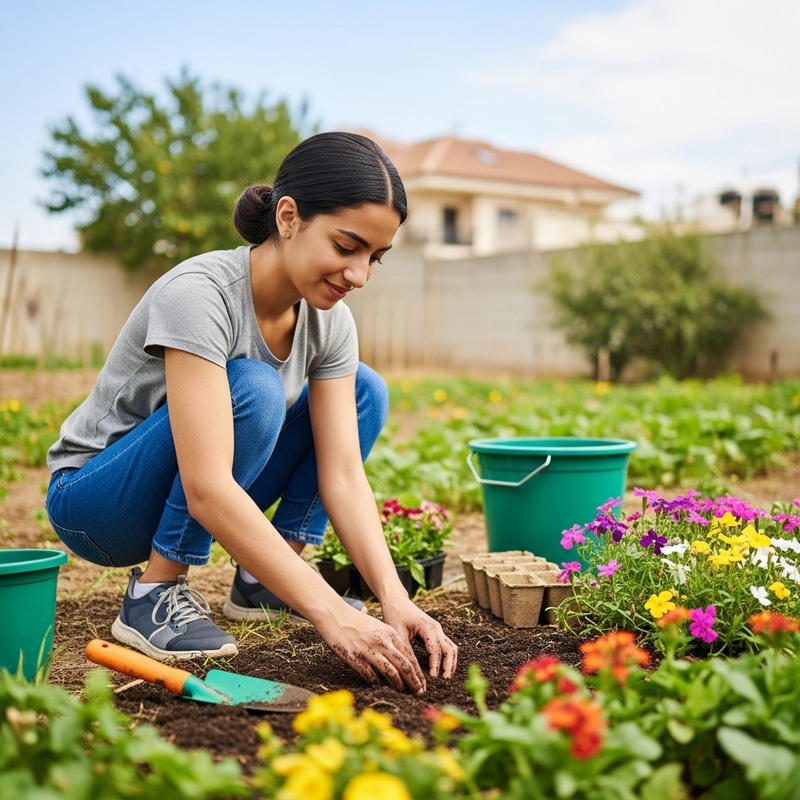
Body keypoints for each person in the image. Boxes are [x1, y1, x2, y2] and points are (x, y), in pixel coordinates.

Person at [45, 131, 457, 694]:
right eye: (346, 246)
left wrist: (394, 598)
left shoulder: (329, 322)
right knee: (255, 388)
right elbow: (208, 488)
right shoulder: (200, 294)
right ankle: (154, 594)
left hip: (192, 488)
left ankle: (266, 580)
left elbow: (341, 475)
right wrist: (330, 614)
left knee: (365, 391)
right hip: (96, 502)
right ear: (288, 217)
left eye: (375, 258)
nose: (359, 275)